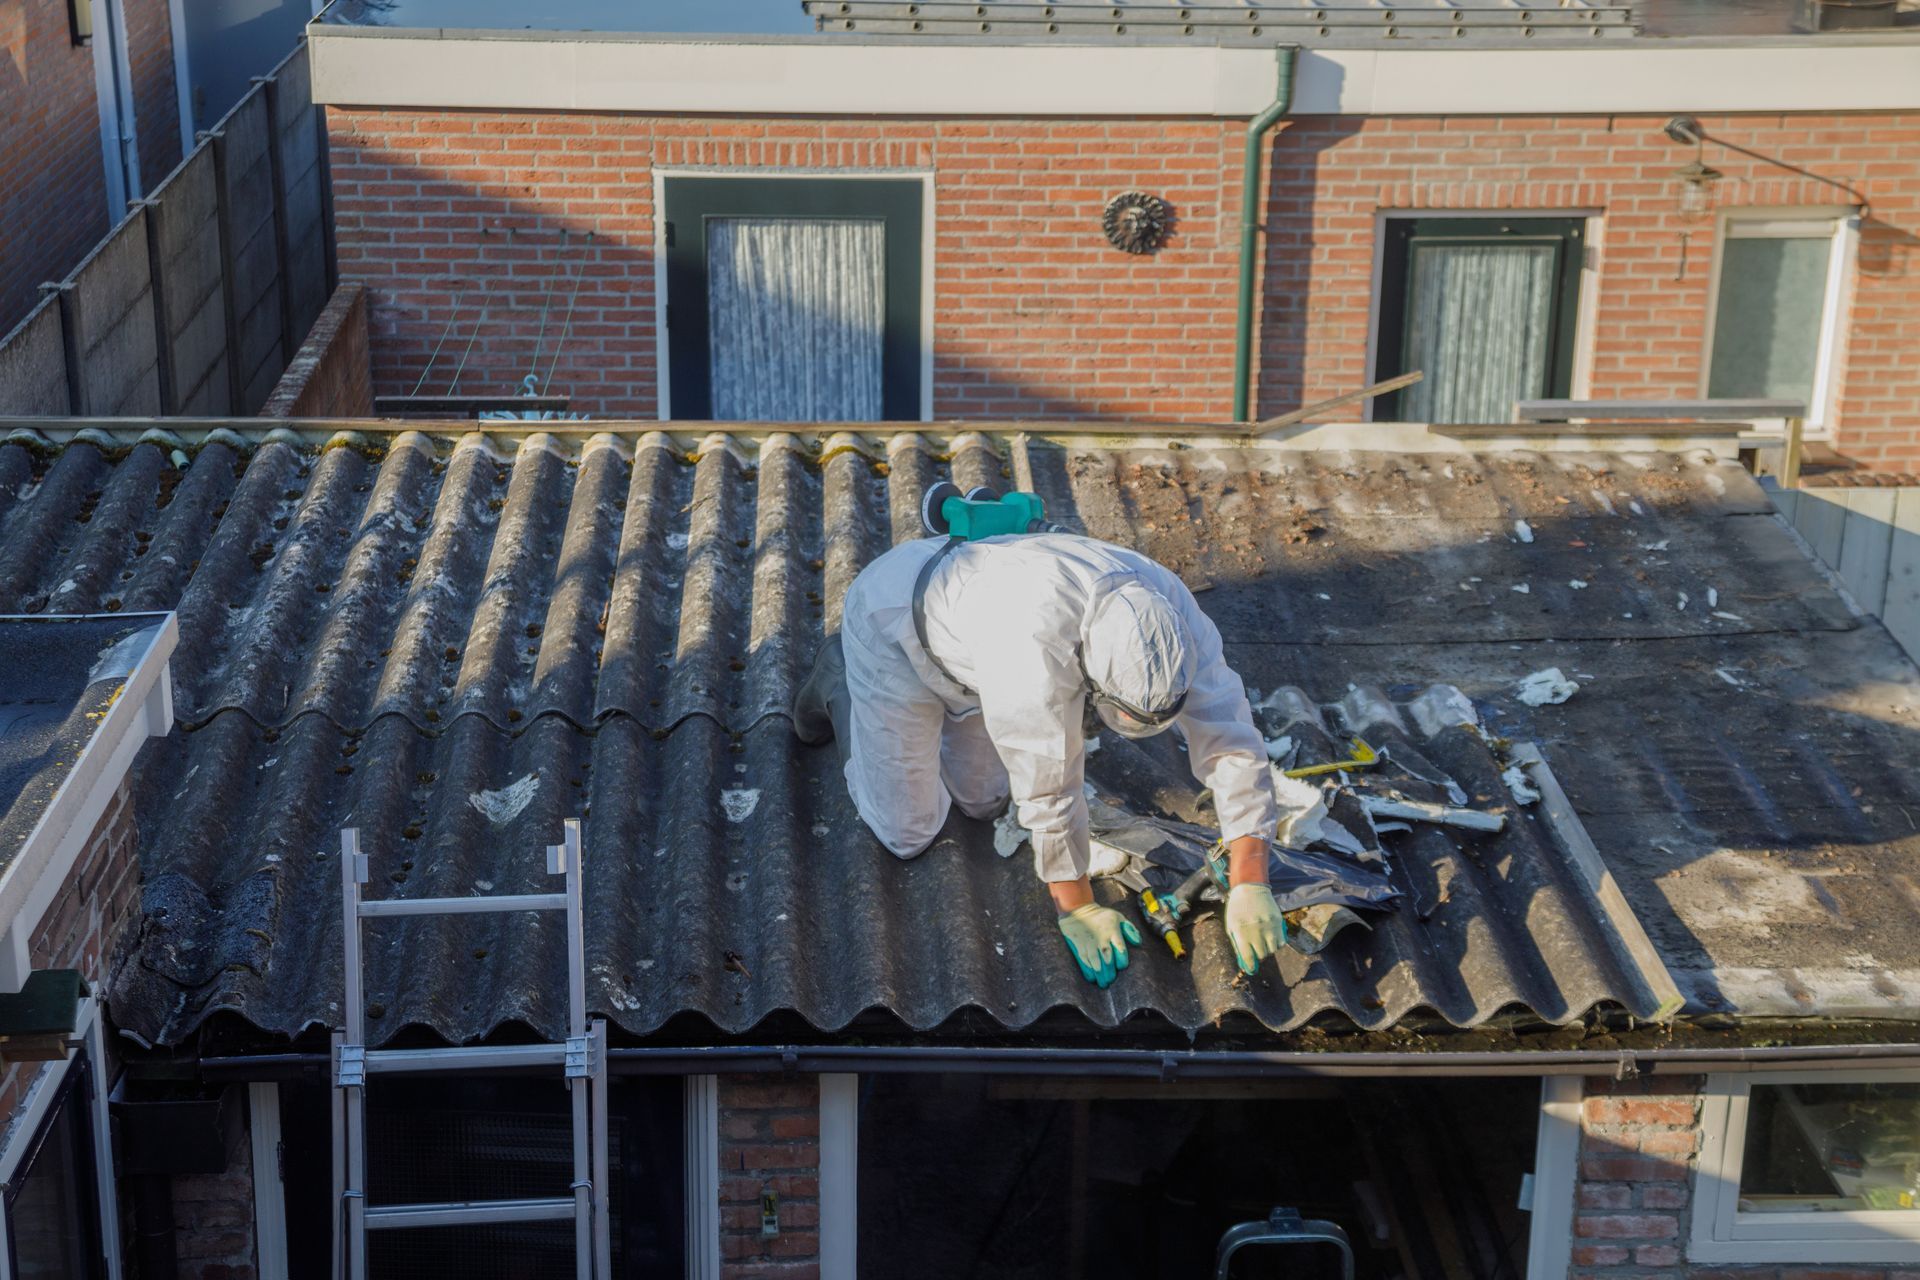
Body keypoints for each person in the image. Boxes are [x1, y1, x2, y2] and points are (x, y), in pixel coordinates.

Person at [793, 527, 1285, 989]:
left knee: (984, 802)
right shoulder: (1032, 649)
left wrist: (1249, 875)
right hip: (894, 626)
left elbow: (1232, 738)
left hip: (971, 653)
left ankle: (933, 717)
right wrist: (1077, 907)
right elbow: (1049, 787)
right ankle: (840, 679)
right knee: (908, 830)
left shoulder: (1174, 615)